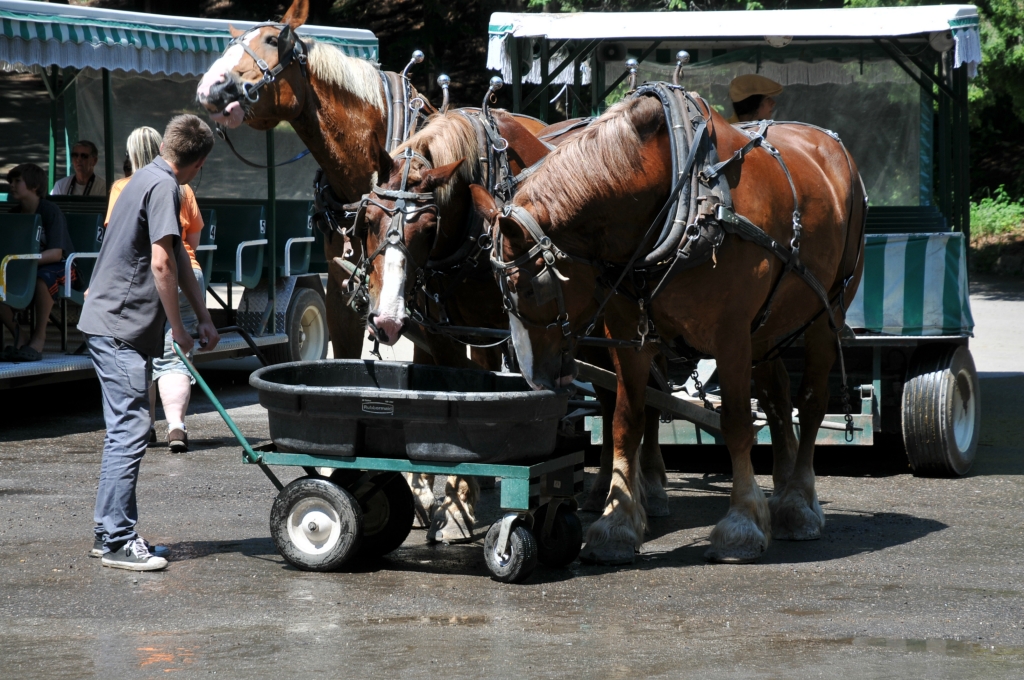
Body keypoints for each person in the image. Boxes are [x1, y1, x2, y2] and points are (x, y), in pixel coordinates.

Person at [79, 114, 220, 571]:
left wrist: (203, 316)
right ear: (198, 163)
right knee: (131, 428)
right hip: (119, 326)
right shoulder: (164, 187)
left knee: (125, 428)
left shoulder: (144, 178)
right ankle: (118, 540)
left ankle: (108, 534)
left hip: (112, 324)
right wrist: (179, 329)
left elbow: (177, 253)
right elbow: (162, 264)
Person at [104, 126, 207, 453]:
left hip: (146, 277)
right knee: (175, 353)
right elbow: (191, 241)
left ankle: (145, 426)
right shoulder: (182, 188)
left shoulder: (123, 187)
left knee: (141, 351)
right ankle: (176, 425)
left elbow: (118, 239)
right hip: (187, 274)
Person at [0, 163, 77, 362]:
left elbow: (56, 253)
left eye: (18, 181)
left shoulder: (50, 211)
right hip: (24, 267)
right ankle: (19, 335)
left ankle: (39, 337)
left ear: (34, 186)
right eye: (11, 181)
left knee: (43, 279)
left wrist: (26, 264)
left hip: (64, 267)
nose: (12, 185)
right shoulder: (14, 215)